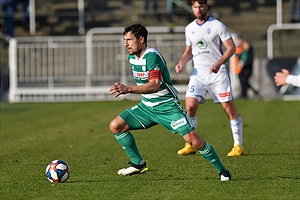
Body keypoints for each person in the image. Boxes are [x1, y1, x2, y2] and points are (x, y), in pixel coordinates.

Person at [109, 24, 231, 181]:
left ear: (141, 39)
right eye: (124, 40)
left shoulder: (152, 56)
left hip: (168, 107)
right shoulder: (132, 56)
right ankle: (138, 164)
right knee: (116, 126)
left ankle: (223, 171)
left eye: (129, 40)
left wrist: (128, 89)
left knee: (193, 141)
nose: (125, 44)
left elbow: (154, 85)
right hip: (147, 107)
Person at [175, 0, 244, 157]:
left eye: (201, 6)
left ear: (206, 7)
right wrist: (181, 62)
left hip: (217, 74)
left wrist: (219, 63)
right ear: (192, 8)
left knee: (229, 109)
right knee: (190, 107)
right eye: (195, 7)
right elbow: (189, 51)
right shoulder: (189, 28)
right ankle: (190, 143)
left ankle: (238, 145)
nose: (198, 9)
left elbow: (231, 47)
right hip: (198, 74)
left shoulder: (217, 25)